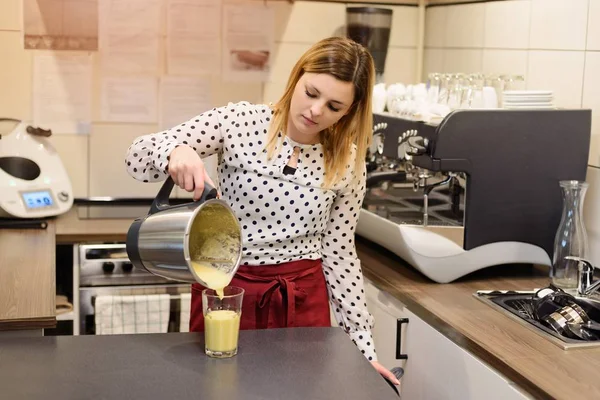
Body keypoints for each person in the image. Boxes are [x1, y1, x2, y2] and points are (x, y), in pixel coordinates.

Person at [125, 36, 399, 385]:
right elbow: (136, 158)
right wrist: (175, 152)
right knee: (215, 389)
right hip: (227, 290)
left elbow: (340, 253)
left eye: (334, 106)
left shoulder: (347, 161)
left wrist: (364, 354)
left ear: (350, 110)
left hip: (302, 302)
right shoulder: (240, 122)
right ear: (297, 77)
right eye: (312, 93)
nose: (316, 111)